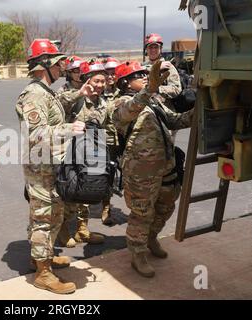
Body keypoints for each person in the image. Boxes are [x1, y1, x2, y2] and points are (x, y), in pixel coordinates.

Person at [15, 39, 86, 294]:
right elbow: (36, 133)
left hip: (50, 166)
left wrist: (80, 93)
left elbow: (57, 109)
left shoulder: (45, 92)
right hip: (41, 168)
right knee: (44, 218)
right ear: (44, 64)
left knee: (53, 213)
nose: (61, 68)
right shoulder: (34, 94)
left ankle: (42, 258)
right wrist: (70, 128)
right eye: (57, 63)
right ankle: (43, 273)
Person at [113, 60, 193, 278]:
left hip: (166, 165)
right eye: (139, 76)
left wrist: (196, 113)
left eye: (145, 74)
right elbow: (127, 113)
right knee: (142, 212)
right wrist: (150, 89)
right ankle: (137, 253)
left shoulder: (154, 102)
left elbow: (173, 120)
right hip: (141, 172)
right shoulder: (120, 102)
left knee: (167, 205)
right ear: (126, 83)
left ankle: (151, 237)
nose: (145, 77)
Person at [56, 59, 111, 248]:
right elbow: (58, 104)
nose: (100, 85)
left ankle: (82, 229)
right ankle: (63, 228)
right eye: (96, 81)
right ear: (86, 79)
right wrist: (80, 93)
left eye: (103, 81)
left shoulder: (104, 101)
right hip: (73, 150)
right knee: (72, 191)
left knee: (88, 191)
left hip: (95, 150)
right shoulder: (75, 96)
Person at [143, 33, 182, 141]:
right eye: (150, 47)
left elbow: (176, 89)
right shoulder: (143, 67)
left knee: (166, 150)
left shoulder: (168, 67)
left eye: (156, 47)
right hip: (147, 115)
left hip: (165, 114)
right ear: (146, 49)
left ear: (160, 48)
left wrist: (158, 89)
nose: (153, 50)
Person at [100, 57, 122, 225]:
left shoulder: (124, 91)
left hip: (122, 140)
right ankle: (106, 208)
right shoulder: (99, 92)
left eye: (113, 73)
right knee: (107, 174)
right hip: (105, 140)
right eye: (107, 73)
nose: (110, 76)